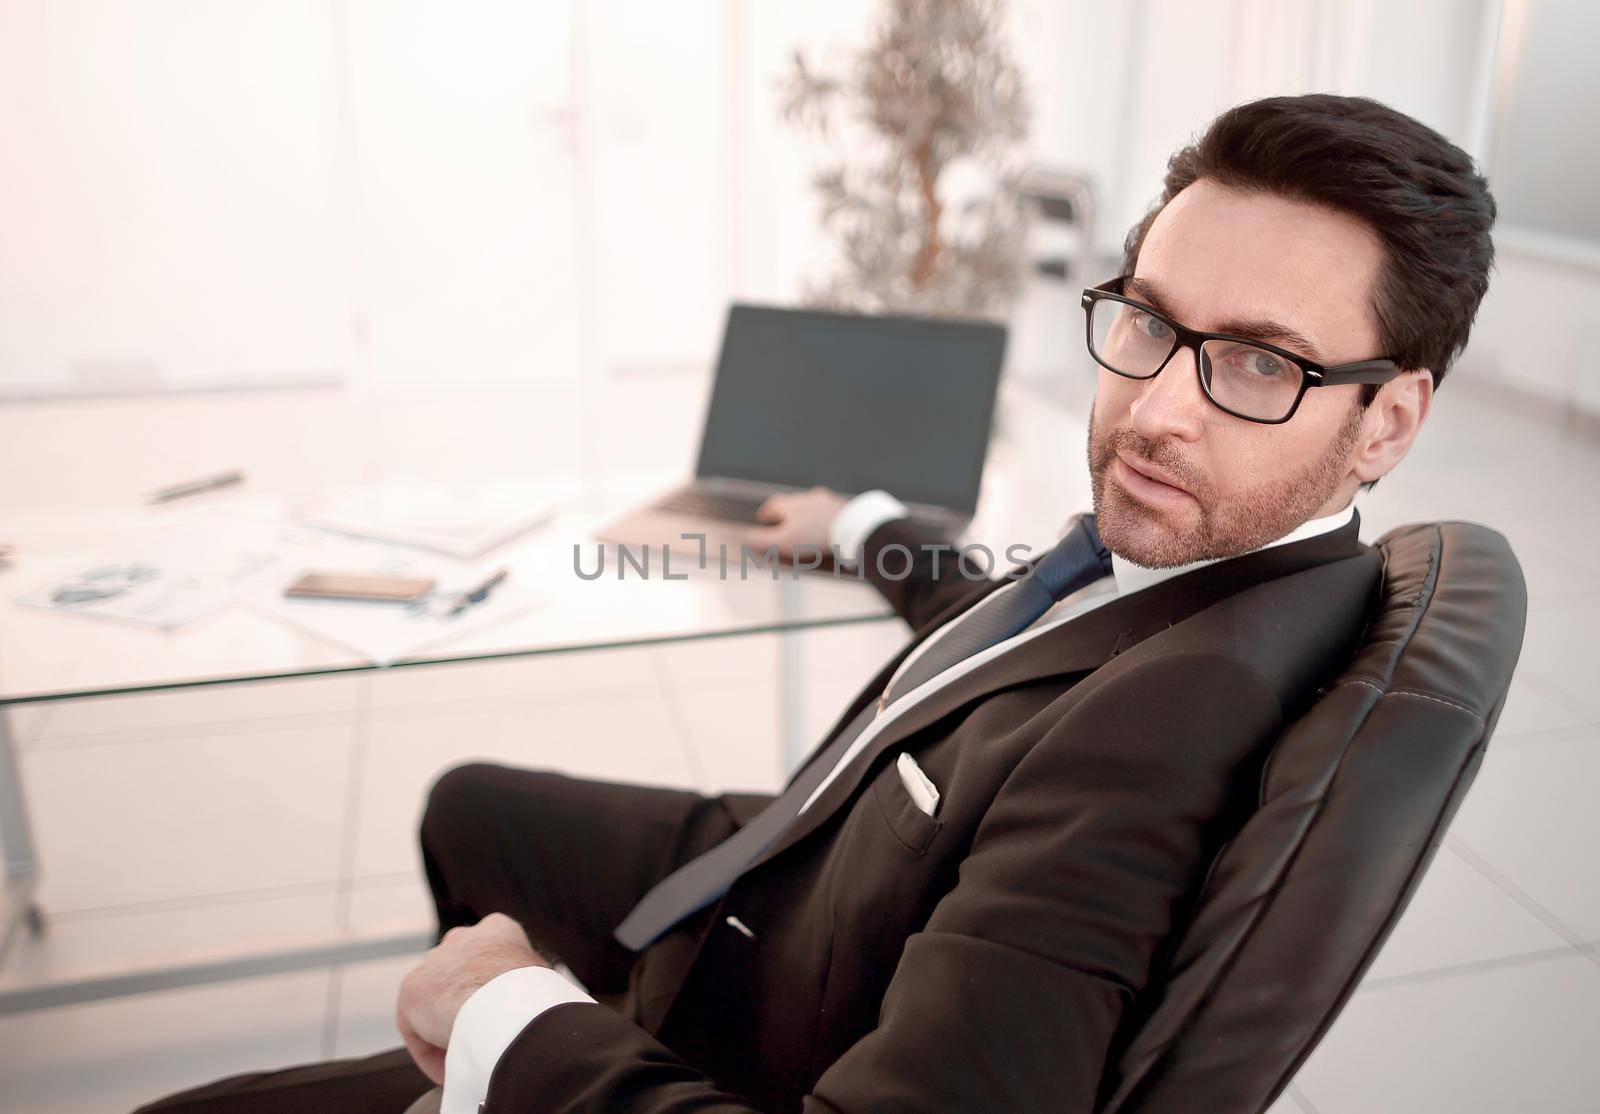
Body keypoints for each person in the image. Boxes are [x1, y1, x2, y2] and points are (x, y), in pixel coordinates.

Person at [139, 93, 1496, 1114]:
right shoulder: (1209, 567)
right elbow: (1034, 635)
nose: (1152, 409)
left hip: (729, 1021)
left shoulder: (1169, 732)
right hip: (797, 867)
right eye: (1145, 320)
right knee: (466, 801)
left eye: (1257, 364)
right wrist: (862, 528)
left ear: (1388, 420)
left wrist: (513, 1018)